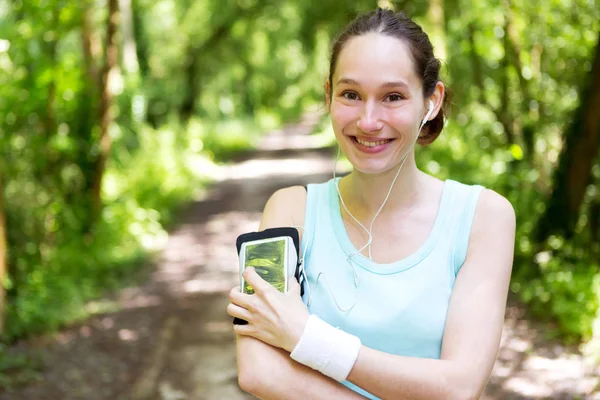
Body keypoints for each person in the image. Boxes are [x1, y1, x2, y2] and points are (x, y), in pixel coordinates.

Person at [227, 8, 515, 400]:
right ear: (329, 95)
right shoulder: (287, 211)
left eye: (392, 97)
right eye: (351, 94)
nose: (368, 120)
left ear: (431, 101)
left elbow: (459, 387)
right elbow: (259, 372)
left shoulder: (484, 217)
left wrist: (304, 335)